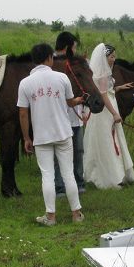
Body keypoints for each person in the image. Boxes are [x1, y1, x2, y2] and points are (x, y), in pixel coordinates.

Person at [17, 43, 85, 226]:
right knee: (68, 173)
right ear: (49, 58)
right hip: (63, 133)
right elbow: (70, 102)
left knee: (47, 176)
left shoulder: (25, 83)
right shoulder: (62, 78)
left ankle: (50, 216)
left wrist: (26, 138)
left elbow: (23, 113)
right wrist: (77, 100)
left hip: (41, 137)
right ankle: (76, 214)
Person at [82, 43, 134, 189]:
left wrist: (118, 88)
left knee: (107, 139)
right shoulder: (103, 74)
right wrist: (114, 113)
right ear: (104, 57)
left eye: (114, 56)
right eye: (112, 56)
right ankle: (110, 175)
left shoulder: (100, 72)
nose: (114, 59)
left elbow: (107, 90)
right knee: (108, 139)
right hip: (106, 109)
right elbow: (103, 94)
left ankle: (110, 171)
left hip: (107, 105)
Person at [53, 31, 86, 195]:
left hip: (76, 116)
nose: (75, 50)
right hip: (59, 117)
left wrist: (84, 109)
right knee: (59, 153)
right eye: (74, 47)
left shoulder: (76, 63)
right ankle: (59, 186)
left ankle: (79, 182)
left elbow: (86, 86)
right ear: (67, 47)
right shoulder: (51, 64)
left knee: (78, 151)